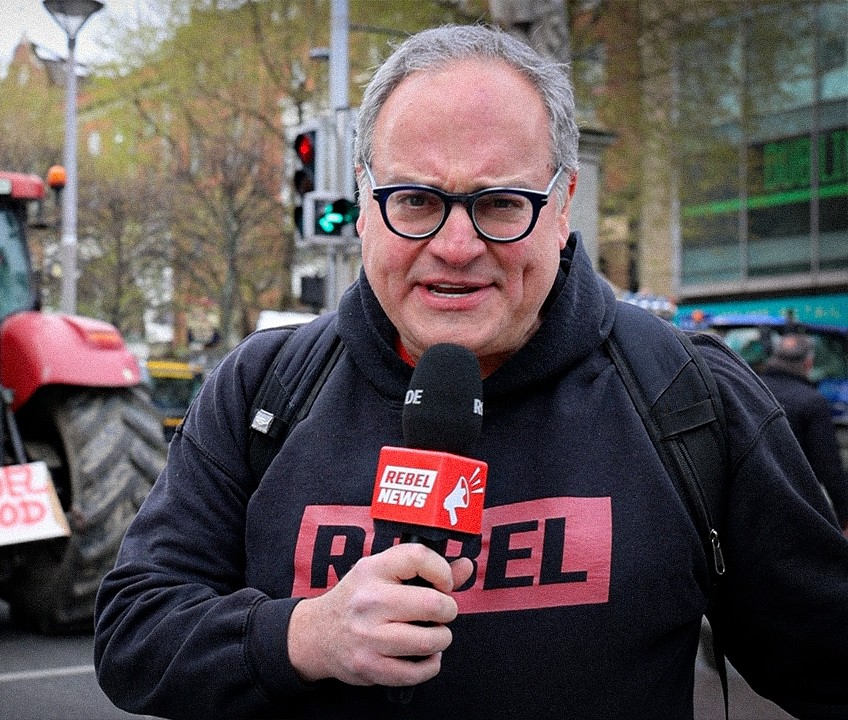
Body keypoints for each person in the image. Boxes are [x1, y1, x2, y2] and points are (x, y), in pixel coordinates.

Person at [93, 24, 848, 719]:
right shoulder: (263, 388)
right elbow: (134, 633)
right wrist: (304, 636)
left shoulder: (688, 393)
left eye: (499, 203)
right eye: (415, 200)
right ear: (362, 201)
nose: (456, 246)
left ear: (563, 205)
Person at [760, 333, 848, 529]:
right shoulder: (811, 401)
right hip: (796, 500)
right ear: (808, 364)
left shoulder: (754, 388)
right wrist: (844, 514)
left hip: (753, 496)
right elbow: (828, 464)